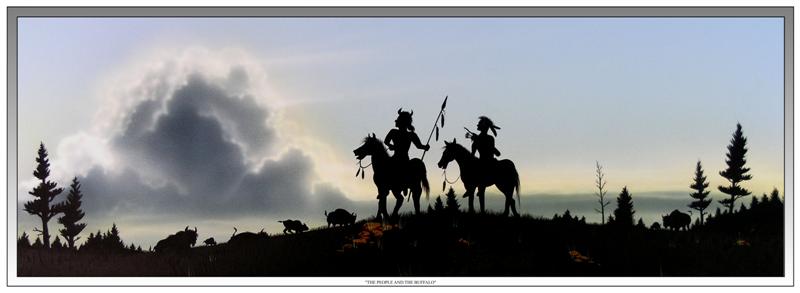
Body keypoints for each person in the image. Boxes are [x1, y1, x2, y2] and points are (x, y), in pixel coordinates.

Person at [384, 108, 430, 178]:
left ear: (401, 121)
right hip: (404, 159)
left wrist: (392, 146)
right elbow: (419, 146)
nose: (396, 121)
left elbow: (386, 141)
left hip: (397, 160)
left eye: (398, 119)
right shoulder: (411, 134)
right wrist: (425, 147)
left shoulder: (394, 132)